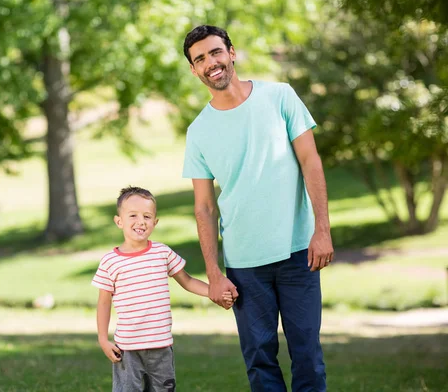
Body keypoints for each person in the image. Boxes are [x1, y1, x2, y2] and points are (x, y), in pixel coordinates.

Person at [181, 25, 334, 392]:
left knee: (308, 357)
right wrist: (214, 273)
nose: (210, 63)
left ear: (231, 53)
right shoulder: (198, 131)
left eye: (215, 52)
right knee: (259, 361)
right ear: (193, 70)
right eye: (199, 59)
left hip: (299, 253)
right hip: (244, 266)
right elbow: (204, 208)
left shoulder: (280, 97)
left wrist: (322, 229)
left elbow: (311, 161)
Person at [92, 186, 233, 392]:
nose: (141, 221)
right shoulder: (110, 262)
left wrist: (214, 291)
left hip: (161, 347)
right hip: (127, 349)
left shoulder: (162, 253)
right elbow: (104, 302)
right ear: (119, 221)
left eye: (147, 216)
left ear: (155, 222)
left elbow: (187, 281)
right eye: (133, 215)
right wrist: (103, 339)